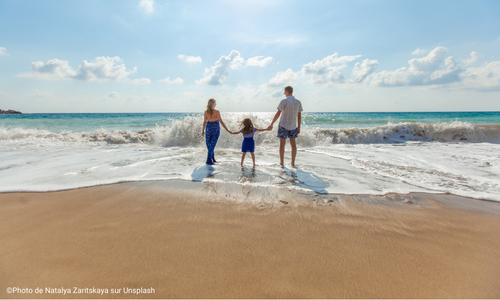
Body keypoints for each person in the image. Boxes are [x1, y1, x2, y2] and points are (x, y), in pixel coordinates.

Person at [267, 86, 303, 167]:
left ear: (286, 92)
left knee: (282, 144)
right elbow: (299, 116)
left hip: (283, 125)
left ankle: (282, 163)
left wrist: (272, 123)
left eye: (284, 92)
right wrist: (299, 127)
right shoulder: (298, 102)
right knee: (293, 145)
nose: (284, 94)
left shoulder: (284, 101)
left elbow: (278, 113)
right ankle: (293, 163)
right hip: (293, 126)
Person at [202, 98, 230, 165]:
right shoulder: (216, 112)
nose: (216, 105)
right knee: (211, 145)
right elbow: (221, 121)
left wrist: (203, 130)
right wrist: (227, 129)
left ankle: (212, 159)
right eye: (215, 103)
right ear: (213, 105)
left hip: (208, 128)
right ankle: (209, 159)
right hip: (215, 128)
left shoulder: (206, 112)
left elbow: (204, 122)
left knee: (210, 145)